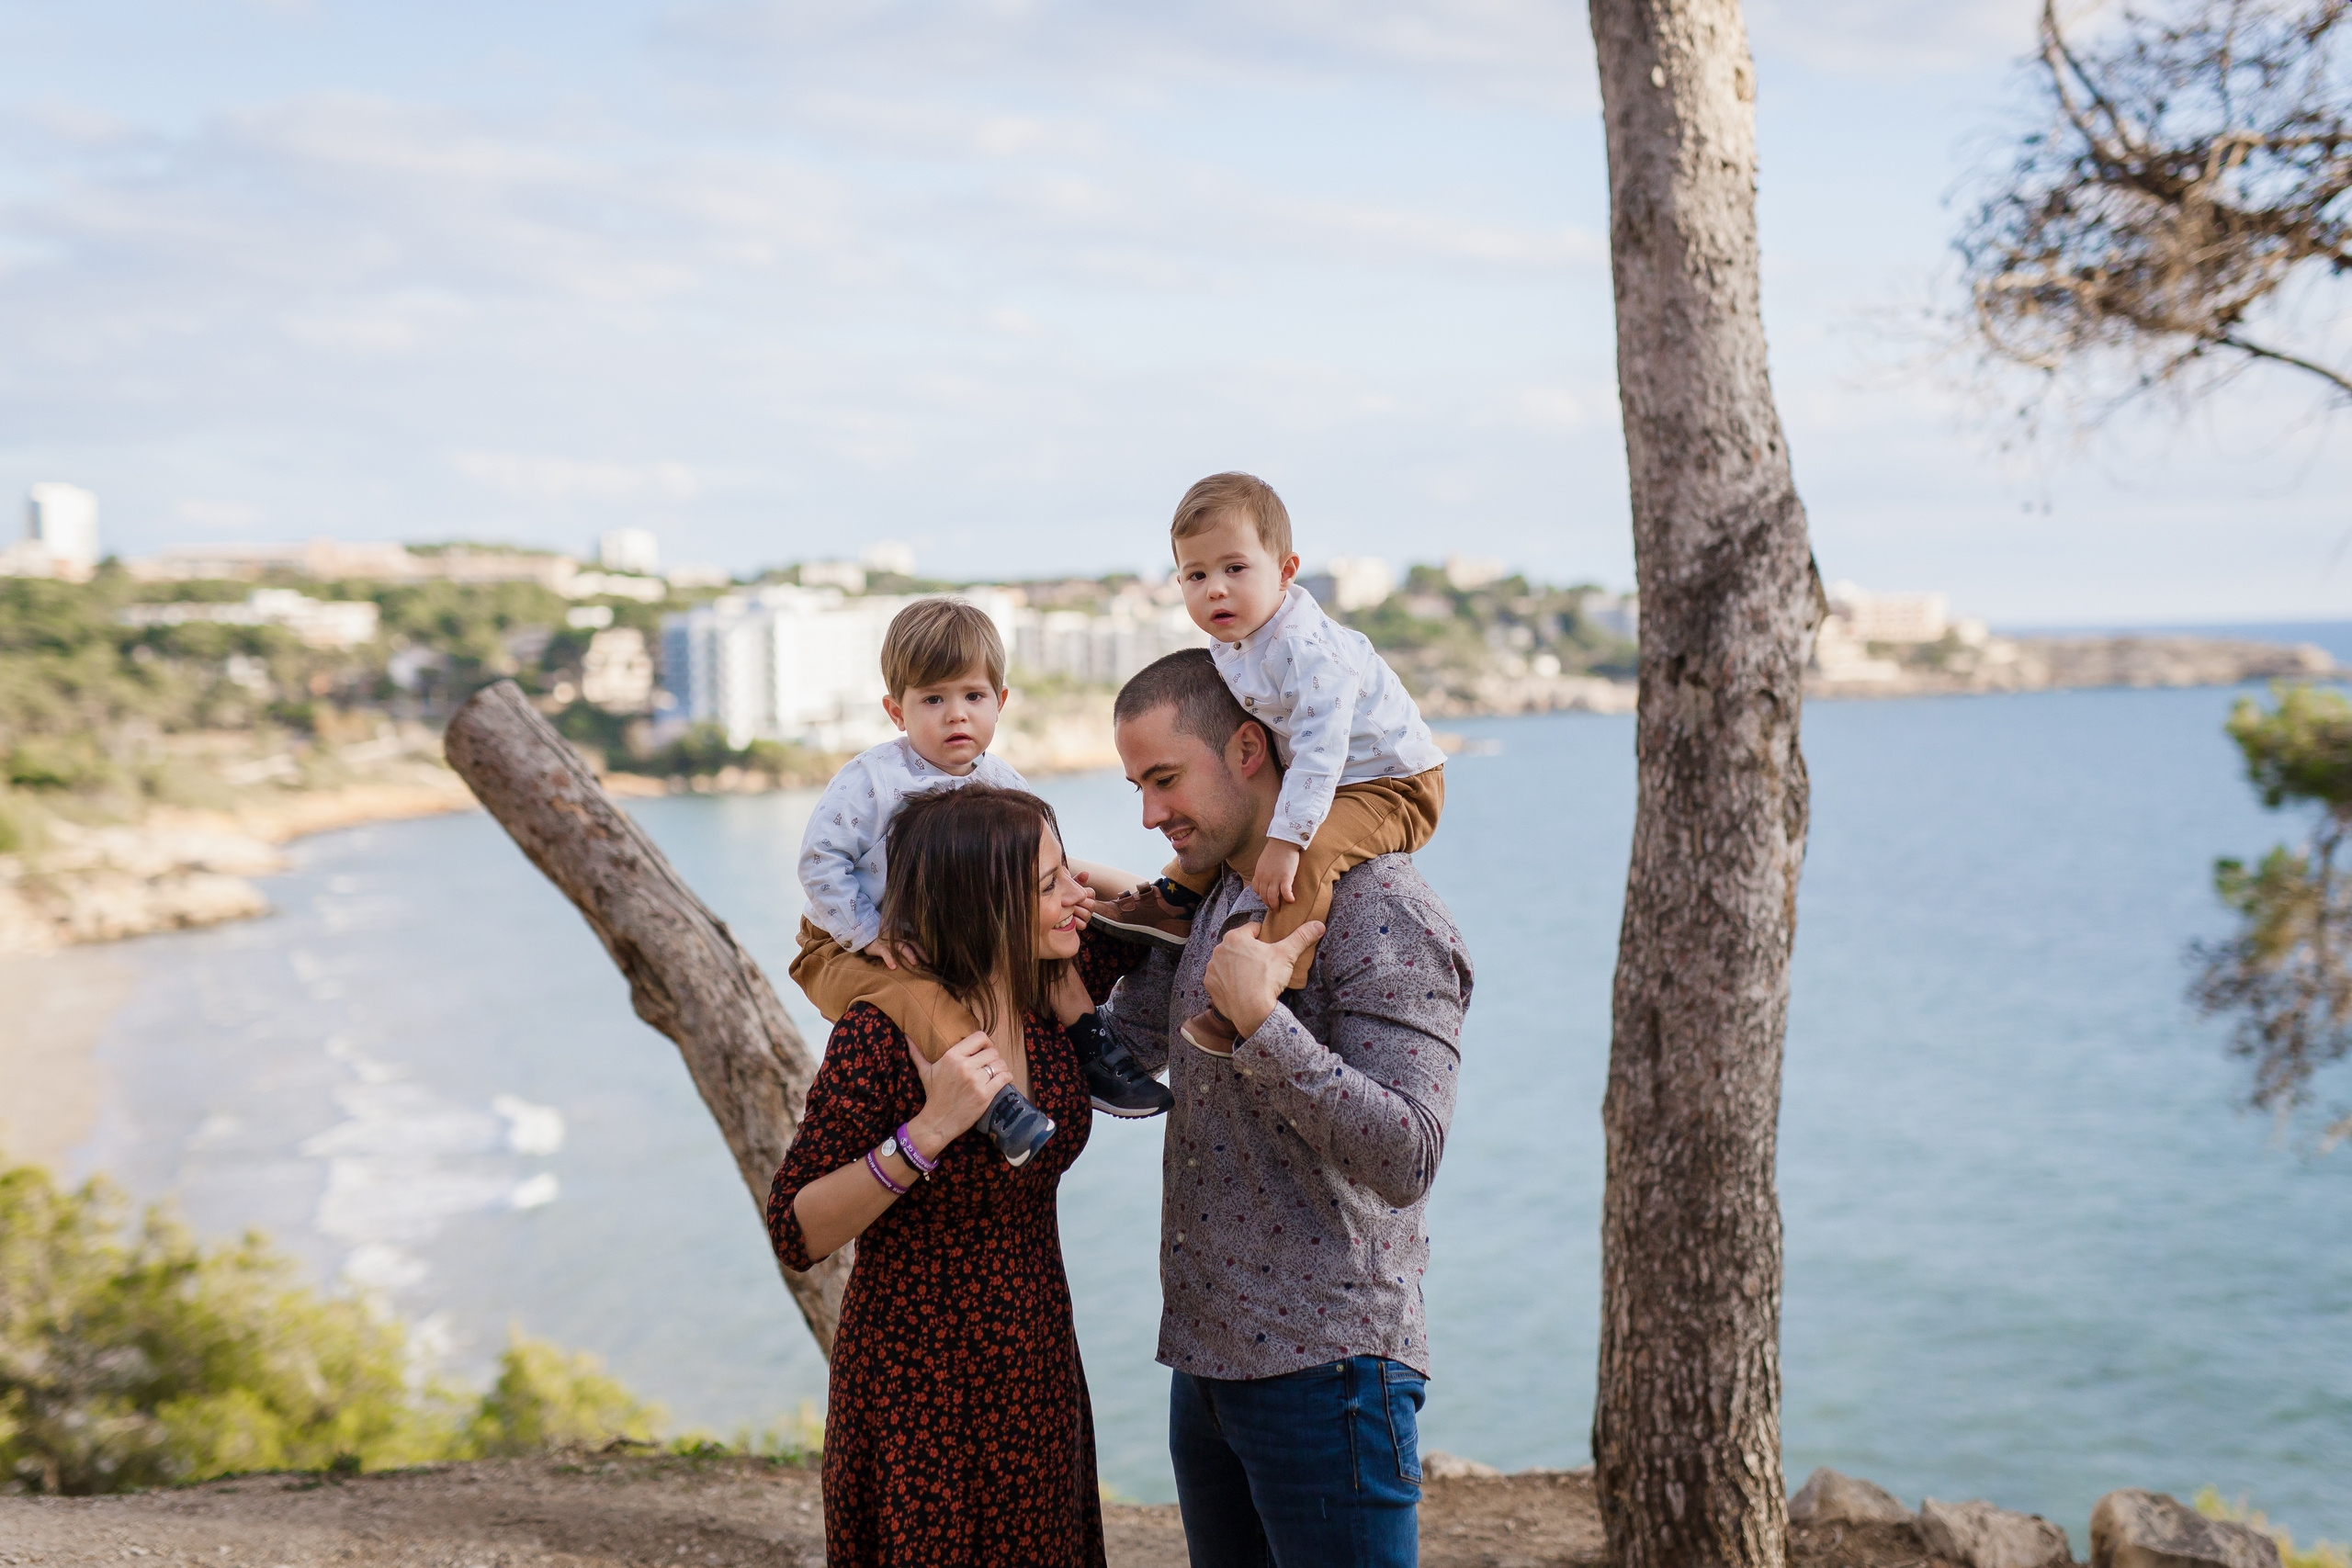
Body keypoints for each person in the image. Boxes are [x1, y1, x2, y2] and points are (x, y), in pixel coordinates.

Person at [1090, 649, 1473, 1567]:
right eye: (1137, 786)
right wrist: (1056, 924)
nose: (1149, 813)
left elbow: (1408, 1154)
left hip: (1328, 1369)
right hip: (1207, 1363)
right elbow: (1125, 1054)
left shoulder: (1380, 905)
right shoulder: (1214, 891)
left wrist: (1263, 1023)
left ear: (1250, 750)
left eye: (1165, 779)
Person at [765, 784, 1143, 1568]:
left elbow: (1156, 898)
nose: (1078, 897)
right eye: (1049, 884)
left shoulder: (1052, 985)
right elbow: (795, 1230)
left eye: (1067, 871)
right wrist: (928, 1130)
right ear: (983, 905)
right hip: (916, 1382)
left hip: (1035, 1362)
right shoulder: (881, 1032)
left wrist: (1056, 865)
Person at [1086, 473, 1447, 1056]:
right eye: (1196, 576)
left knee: (1308, 858)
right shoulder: (1234, 646)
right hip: (1330, 778)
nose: (1216, 591)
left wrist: (1286, 837)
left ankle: (1261, 989)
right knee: (1218, 835)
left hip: (1390, 784)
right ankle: (1174, 904)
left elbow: (1321, 751)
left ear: (1285, 570)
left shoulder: (1311, 651)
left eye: (1234, 569)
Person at [790, 595, 1170, 1124]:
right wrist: (869, 932)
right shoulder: (872, 781)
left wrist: (1072, 895)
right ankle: (996, 1103)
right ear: (896, 710)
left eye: (973, 694)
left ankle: (1094, 1051)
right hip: (847, 942)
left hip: (950, 932)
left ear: (1001, 700)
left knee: (1049, 954)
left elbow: (1035, 866)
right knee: (917, 996)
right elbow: (819, 863)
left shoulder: (1002, 783)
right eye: (932, 699)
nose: (956, 714)